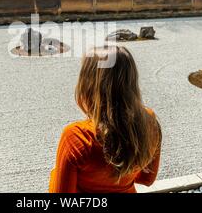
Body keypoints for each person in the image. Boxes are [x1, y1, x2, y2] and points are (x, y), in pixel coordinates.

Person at [49, 45, 162, 193]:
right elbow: (147, 179)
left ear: (87, 86)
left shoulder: (76, 136)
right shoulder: (150, 122)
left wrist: (55, 174)